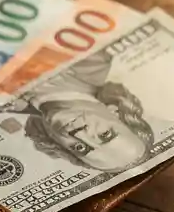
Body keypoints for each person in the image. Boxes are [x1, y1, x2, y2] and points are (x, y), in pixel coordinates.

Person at [20, 51, 154, 172]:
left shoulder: (9, 107)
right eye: (105, 134)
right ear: (115, 112)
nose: (79, 135)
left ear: (59, 145)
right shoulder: (91, 63)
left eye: (80, 148)